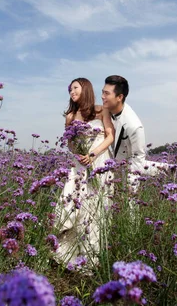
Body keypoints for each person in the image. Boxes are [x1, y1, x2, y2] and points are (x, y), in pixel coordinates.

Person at [53, 77, 115, 271]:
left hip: (99, 162)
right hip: (80, 165)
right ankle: (68, 256)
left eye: (75, 88)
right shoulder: (70, 116)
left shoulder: (101, 110)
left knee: (95, 209)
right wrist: (78, 152)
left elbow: (110, 136)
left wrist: (93, 154)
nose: (72, 92)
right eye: (70, 90)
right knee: (74, 205)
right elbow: (69, 143)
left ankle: (92, 259)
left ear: (85, 88)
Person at [101, 75, 172, 193]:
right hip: (115, 166)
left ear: (119, 97)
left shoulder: (134, 125)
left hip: (128, 168)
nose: (103, 96)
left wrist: (130, 189)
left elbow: (138, 159)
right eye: (102, 92)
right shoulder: (106, 109)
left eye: (107, 94)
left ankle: (168, 171)